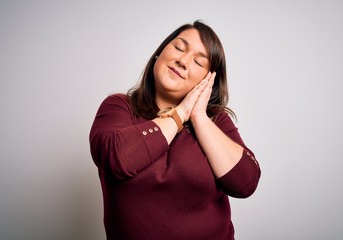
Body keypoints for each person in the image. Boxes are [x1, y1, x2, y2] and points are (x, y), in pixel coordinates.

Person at [89, 20, 261, 240]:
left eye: (198, 62)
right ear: (158, 55)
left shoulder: (216, 121)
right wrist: (181, 112)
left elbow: (245, 183)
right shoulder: (120, 107)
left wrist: (198, 116)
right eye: (179, 48)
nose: (182, 61)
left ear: (207, 81)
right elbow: (115, 156)